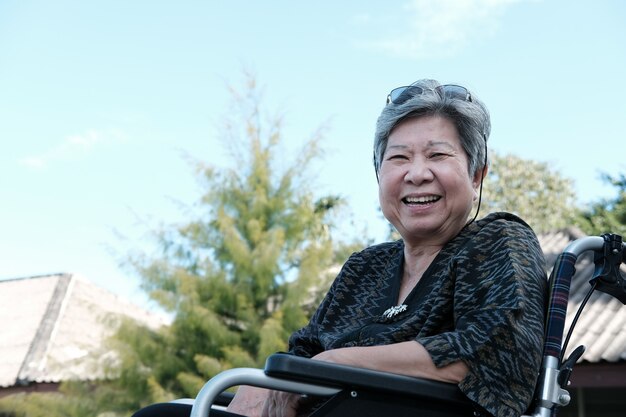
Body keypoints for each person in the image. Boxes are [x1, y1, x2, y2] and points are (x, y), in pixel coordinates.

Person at [133, 79, 547, 417]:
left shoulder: (496, 241)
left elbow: (498, 352)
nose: (417, 174)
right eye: (398, 158)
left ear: (477, 175)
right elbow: (303, 351)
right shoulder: (366, 267)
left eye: (438, 155)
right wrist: (261, 386)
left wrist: (337, 363)